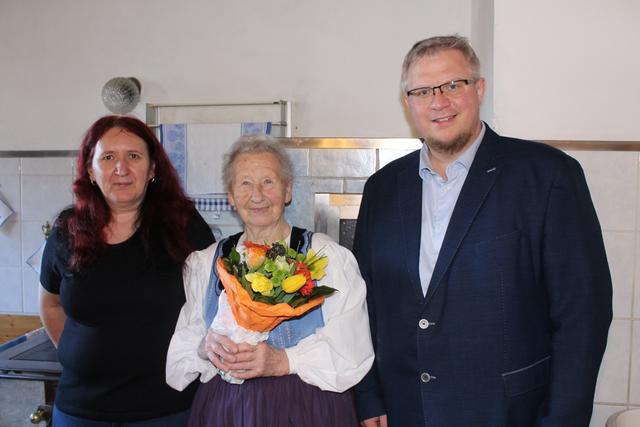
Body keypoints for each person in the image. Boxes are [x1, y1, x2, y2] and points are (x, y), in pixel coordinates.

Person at [353, 35, 612, 427]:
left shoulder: (547, 176)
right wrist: (369, 397)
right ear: (408, 103)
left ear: (479, 89)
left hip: (509, 414)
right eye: (422, 91)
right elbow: (363, 304)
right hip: (405, 412)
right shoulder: (382, 189)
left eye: (453, 85)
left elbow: (583, 314)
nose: (438, 102)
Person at [166, 135, 374, 427]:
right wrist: (206, 346)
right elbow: (181, 356)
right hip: (226, 410)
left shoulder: (325, 257)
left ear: (287, 191)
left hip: (306, 408)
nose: (257, 195)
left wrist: (283, 361)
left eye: (268, 182)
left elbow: (353, 350)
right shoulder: (206, 263)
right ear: (230, 195)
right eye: (245, 184)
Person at [39, 115, 215, 426]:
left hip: (167, 410)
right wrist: (77, 355)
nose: (121, 168)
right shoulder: (67, 230)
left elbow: (213, 306)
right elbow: (50, 303)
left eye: (133, 156)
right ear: (91, 170)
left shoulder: (185, 227)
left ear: (152, 169)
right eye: (108, 157)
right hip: (80, 410)